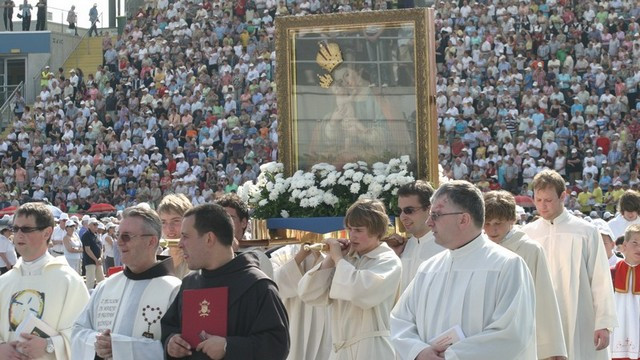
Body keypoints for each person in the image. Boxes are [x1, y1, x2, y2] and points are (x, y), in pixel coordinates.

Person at [390, 181, 536, 360]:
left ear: (463, 219)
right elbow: (400, 319)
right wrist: (419, 351)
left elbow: (512, 333)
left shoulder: (506, 265)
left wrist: (452, 356)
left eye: (436, 215)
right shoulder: (429, 269)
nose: (429, 222)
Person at [161, 203, 290, 359]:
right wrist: (171, 342)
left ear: (209, 238)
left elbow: (277, 345)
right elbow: (169, 327)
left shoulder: (257, 286)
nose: (180, 244)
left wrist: (229, 347)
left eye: (186, 236)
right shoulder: (190, 283)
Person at [522, 170, 617, 360]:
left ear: (562, 196)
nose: (542, 206)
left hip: (580, 315)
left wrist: (603, 323)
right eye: (538, 200)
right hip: (541, 318)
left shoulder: (585, 231)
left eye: (548, 200)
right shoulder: (527, 234)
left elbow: (600, 279)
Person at [72, 206, 181, 359]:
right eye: (118, 235)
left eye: (127, 237)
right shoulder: (106, 286)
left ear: (151, 241)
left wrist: (120, 347)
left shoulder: (174, 290)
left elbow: (177, 349)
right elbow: (78, 330)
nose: (119, 243)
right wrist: (97, 344)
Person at [298, 199, 402, 360]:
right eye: (350, 229)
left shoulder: (388, 261)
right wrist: (330, 260)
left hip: (372, 350)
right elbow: (309, 294)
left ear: (376, 231)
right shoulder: (347, 259)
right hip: (340, 350)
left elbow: (360, 292)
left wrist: (338, 259)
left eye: (359, 230)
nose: (352, 235)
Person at [483, 190, 567, 359]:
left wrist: (552, 347)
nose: (493, 229)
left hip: (522, 332)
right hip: (485, 334)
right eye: (487, 223)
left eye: (498, 222)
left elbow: (544, 297)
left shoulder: (530, 249)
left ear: (512, 220)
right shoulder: (479, 250)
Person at [0, 202, 89, 359]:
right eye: (15, 229)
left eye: (26, 229)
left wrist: (50, 345)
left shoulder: (68, 280)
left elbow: (84, 335)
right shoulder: (4, 281)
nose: (18, 234)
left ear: (47, 233)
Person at [270, 243, 332, 360]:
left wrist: (321, 256)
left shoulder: (331, 250)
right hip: (293, 314)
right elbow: (275, 285)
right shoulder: (284, 253)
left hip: (323, 314)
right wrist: (300, 256)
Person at [389, 180, 444, 292]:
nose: (403, 216)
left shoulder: (445, 247)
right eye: (400, 210)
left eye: (409, 210)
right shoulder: (403, 246)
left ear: (429, 209)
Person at [216, 193, 273, 278]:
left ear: (243, 222)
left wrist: (231, 257)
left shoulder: (258, 259)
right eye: (219, 219)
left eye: (230, 218)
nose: (223, 224)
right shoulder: (208, 256)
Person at [610, 223, 640, 360]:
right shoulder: (611, 272)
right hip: (617, 332)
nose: (639, 247)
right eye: (635, 242)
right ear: (625, 245)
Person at [157, 193, 193, 279]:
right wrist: (172, 265)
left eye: (176, 221)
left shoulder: (202, 254)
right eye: (163, 222)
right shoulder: (163, 256)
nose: (169, 228)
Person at [82, 218, 105, 290]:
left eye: (97, 224)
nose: (96, 226)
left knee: (102, 281)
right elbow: (87, 249)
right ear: (89, 225)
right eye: (94, 224)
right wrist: (95, 259)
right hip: (90, 261)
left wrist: (100, 258)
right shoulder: (86, 235)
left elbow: (100, 248)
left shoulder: (96, 235)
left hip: (98, 261)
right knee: (90, 282)